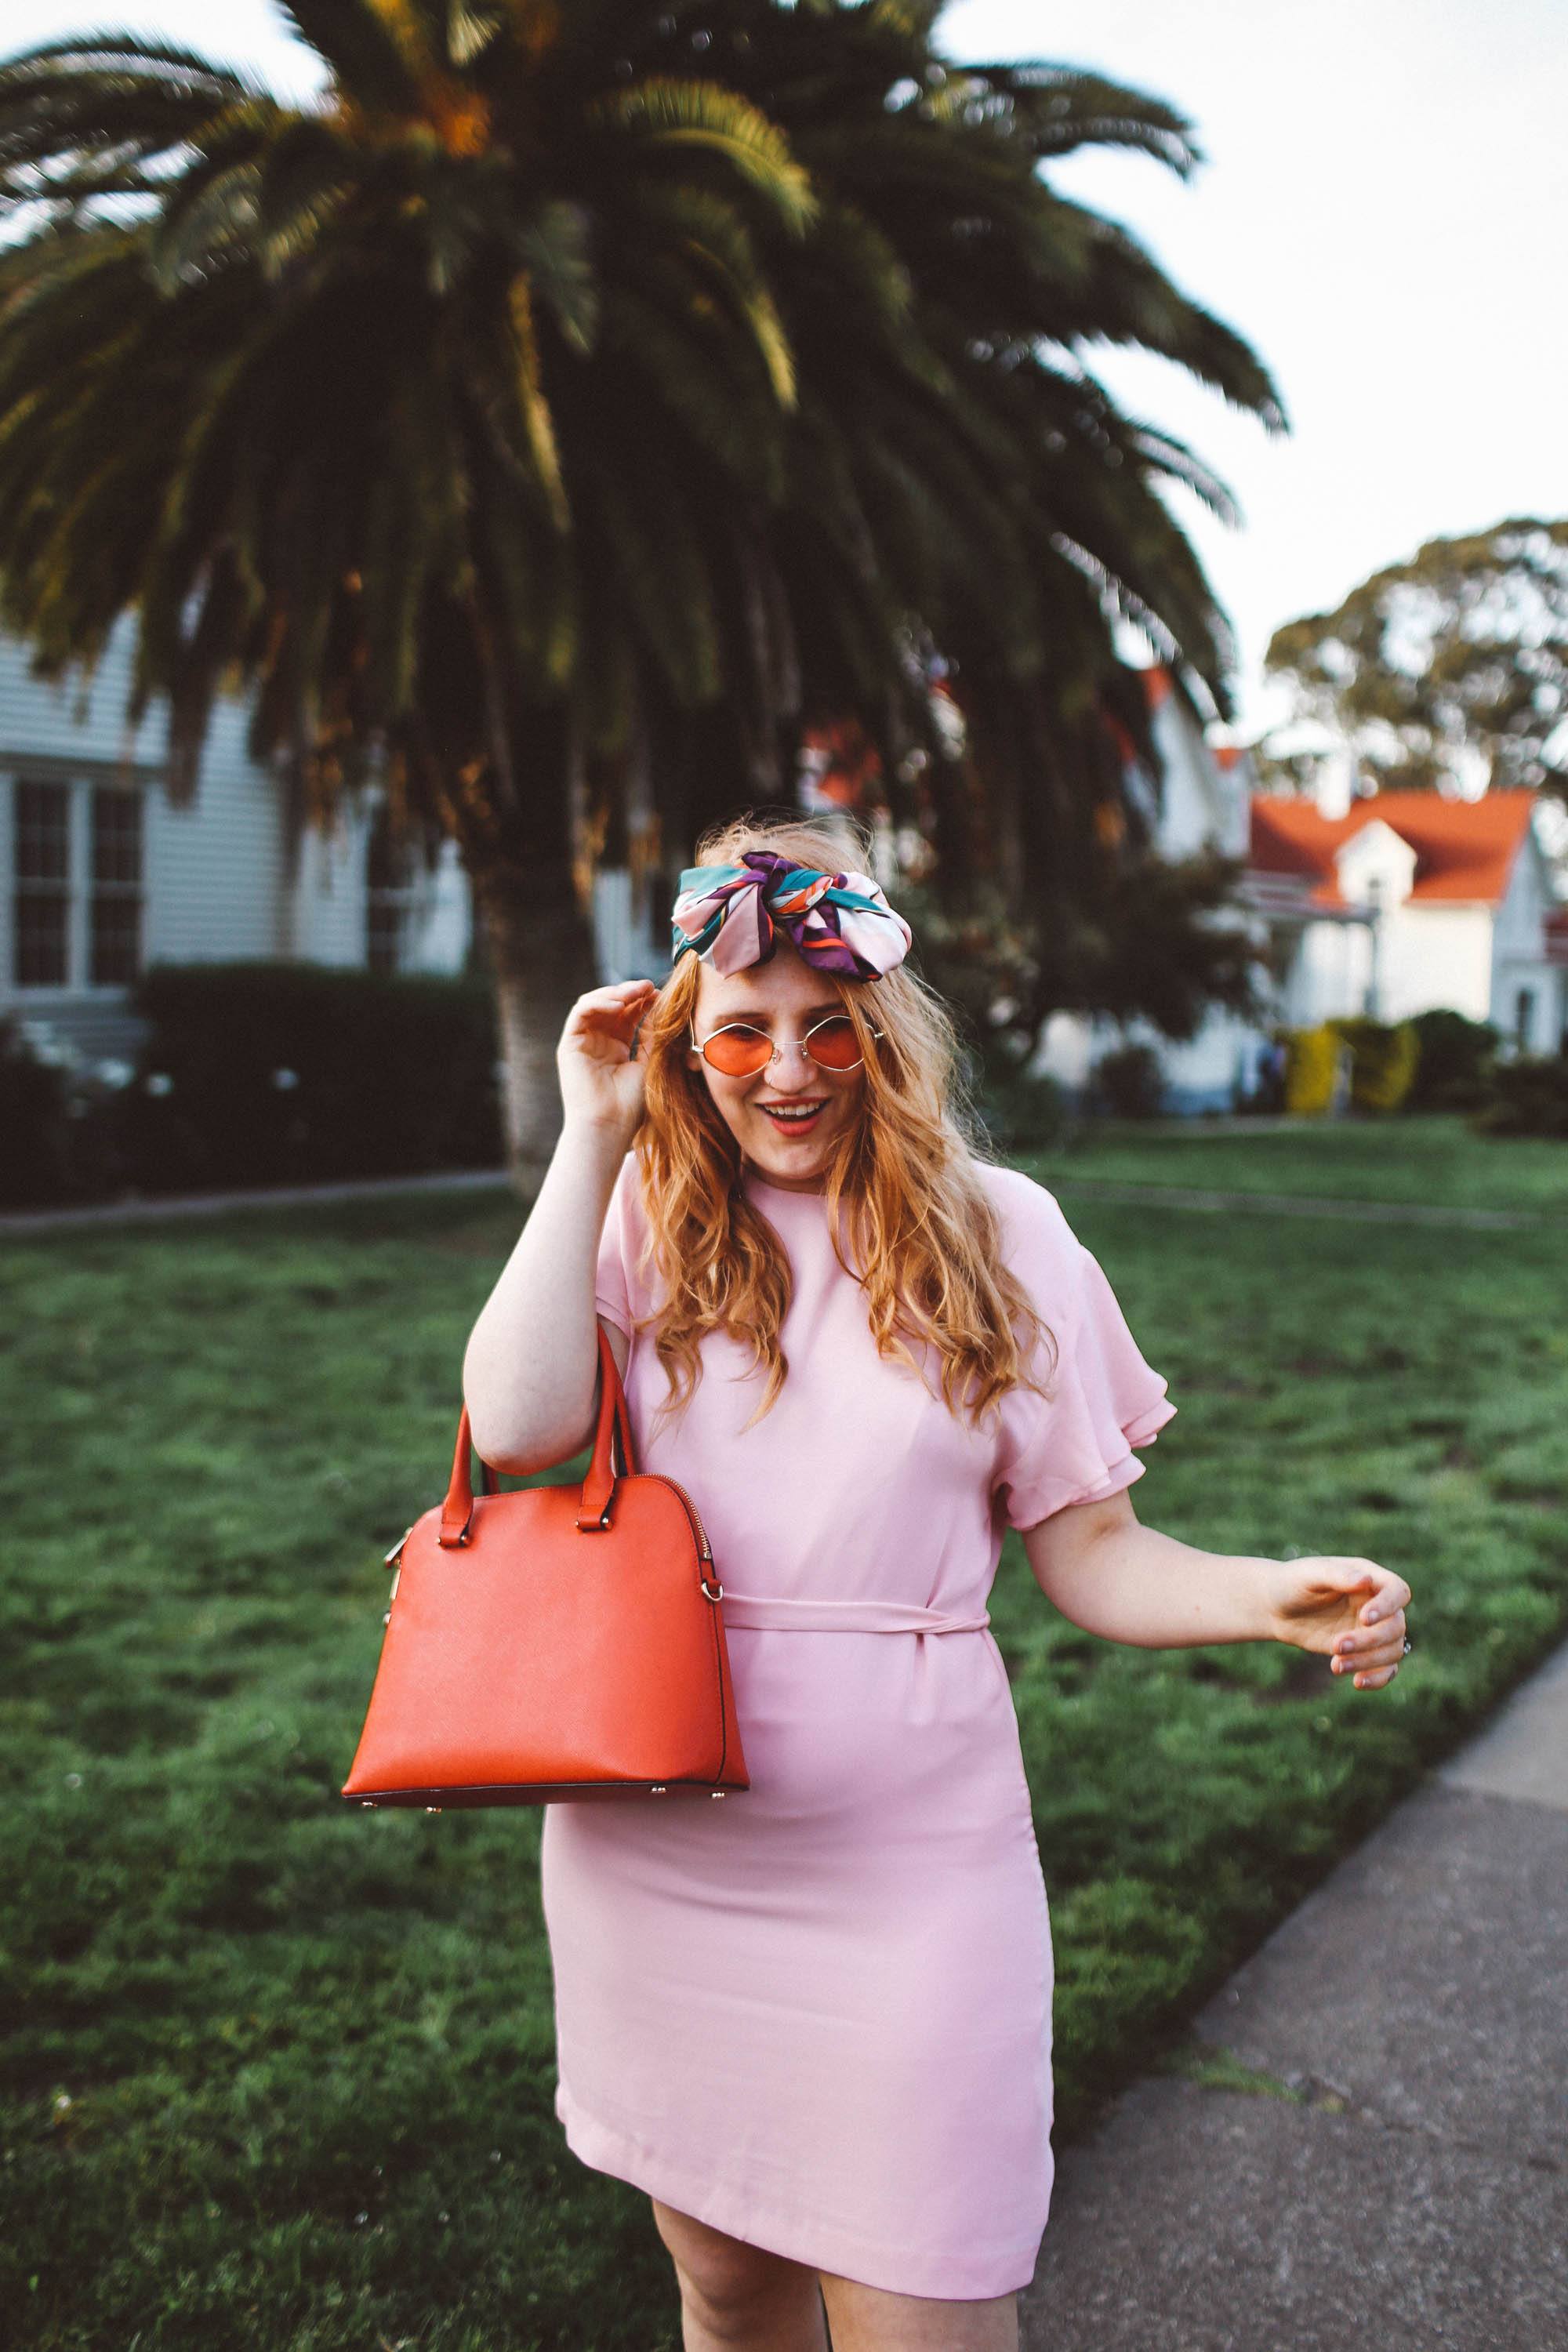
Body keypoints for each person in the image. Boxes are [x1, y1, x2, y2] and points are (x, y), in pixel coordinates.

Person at [461, 813, 1413, 2352]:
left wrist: (1264, 1594)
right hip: (660, 1859)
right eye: (743, 1033)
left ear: (885, 1035)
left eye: (830, 1028)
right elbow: (516, 1431)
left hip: (909, 1880)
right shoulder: (647, 1216)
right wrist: (592, 1135)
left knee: (932, 2311)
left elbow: (1091, 1552)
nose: (788, 1071)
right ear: (687, 1046)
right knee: (727, 2294)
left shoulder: (1002, 1232)